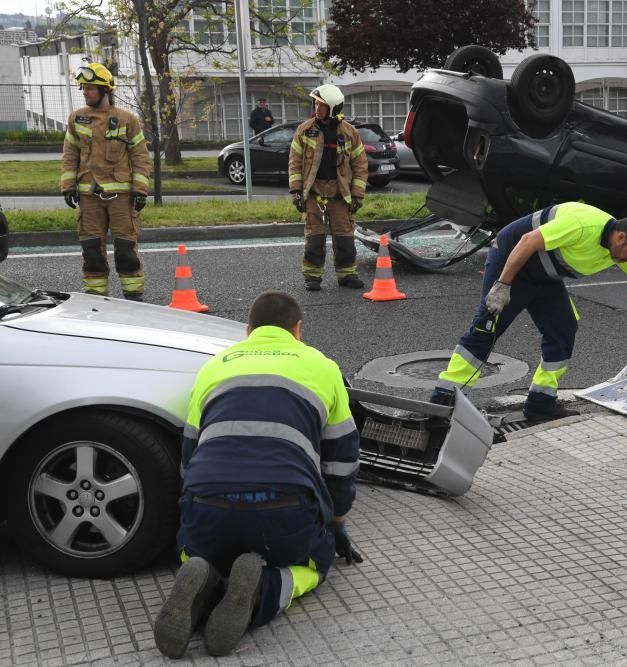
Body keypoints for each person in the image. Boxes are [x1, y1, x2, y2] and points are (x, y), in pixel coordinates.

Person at [153, 290, 363, 658]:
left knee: (198, 550)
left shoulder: (215, 366)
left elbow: (189, 453)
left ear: (248, 330)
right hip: (282, 512)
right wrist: (336, 519)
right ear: (298, 330)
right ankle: (262, 590)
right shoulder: (323, 366)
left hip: (208, 508)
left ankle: (202, 573)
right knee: (318, 560)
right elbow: (342, 458)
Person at [430, 202, 627, 421]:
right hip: (512, 259)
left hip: (545, 276)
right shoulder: (582, 225)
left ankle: (541, 403)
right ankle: (444, 398)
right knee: (488, 326)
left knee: (563, 329)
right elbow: (527, 241)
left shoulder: (620, 250)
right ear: (621, 237)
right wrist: (503, 285)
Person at [60, 63, 150, 300]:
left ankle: (134, 299)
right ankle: (96, 301)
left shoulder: (127, 120)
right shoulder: (76, 119)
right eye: (83, 88)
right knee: (91, 252)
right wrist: (68, 187)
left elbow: (140, 155)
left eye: (90, 87)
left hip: (121, 198)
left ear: (104, 90)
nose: (85, 92)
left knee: (125, 250)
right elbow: (70, 154)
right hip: (89, 198)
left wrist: (140, 189)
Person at [288, 84, 368, 291]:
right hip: (314, 193)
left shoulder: (350, 133)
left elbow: (360, 164)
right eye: (315, 103)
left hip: (340, 194)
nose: (316, 107)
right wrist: (296, 191)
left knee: (344, 238)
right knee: (314, 238)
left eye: (321, 105)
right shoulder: (304, 131)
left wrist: (358, 194)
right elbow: (295, 162)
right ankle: (313, 277)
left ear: (333, 108)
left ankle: (347, 275)